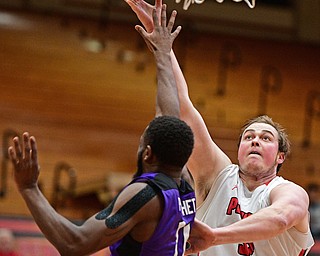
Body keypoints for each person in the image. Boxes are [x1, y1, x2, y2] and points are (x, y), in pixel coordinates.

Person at [125, 0, 315, 255]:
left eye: (266, 138)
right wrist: (163, 47)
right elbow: (183, 108)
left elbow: (280, 218)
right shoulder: (217, 177)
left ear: (281, 156)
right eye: (249, 137)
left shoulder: (289, 192)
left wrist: (214, 236)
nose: (255, 141)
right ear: (238, 150)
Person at [8, 6, 196, 256]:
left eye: (142, 140)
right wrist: (162, 53)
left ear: (148, 153)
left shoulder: (146, 195)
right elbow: (168, 113)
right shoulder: (184, 180)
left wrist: (29, 188)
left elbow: (75, 243)